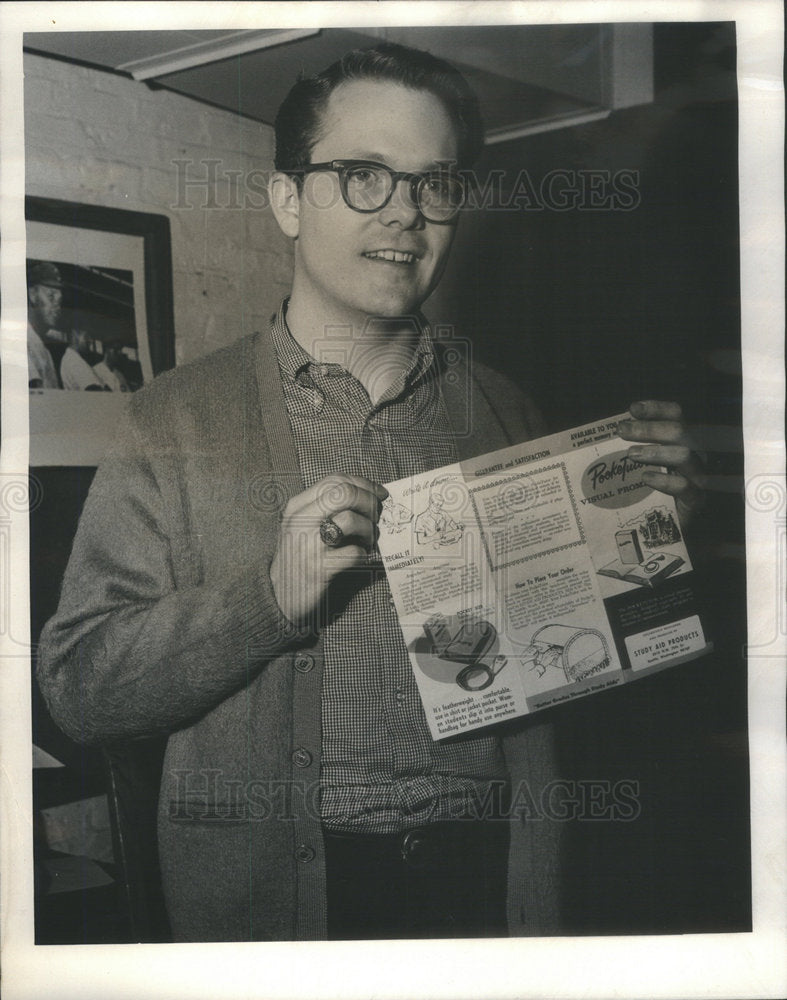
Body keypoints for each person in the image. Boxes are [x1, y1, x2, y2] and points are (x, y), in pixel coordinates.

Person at [36, 43, 705, 942]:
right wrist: (267, 601)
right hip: (281, 909)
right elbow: (79, 691)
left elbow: (570, 679)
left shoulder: (508, 411)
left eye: (435, 184)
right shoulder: (174, 421)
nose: (405, 214)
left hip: (483, 887)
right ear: (286, 199)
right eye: (362, 175)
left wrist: (640, 552)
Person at [26, 260, 63, 388]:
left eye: (60, 301)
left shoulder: (43, 349)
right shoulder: (23, 340)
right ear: (32, 295)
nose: (57, 306)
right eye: (51, 296)